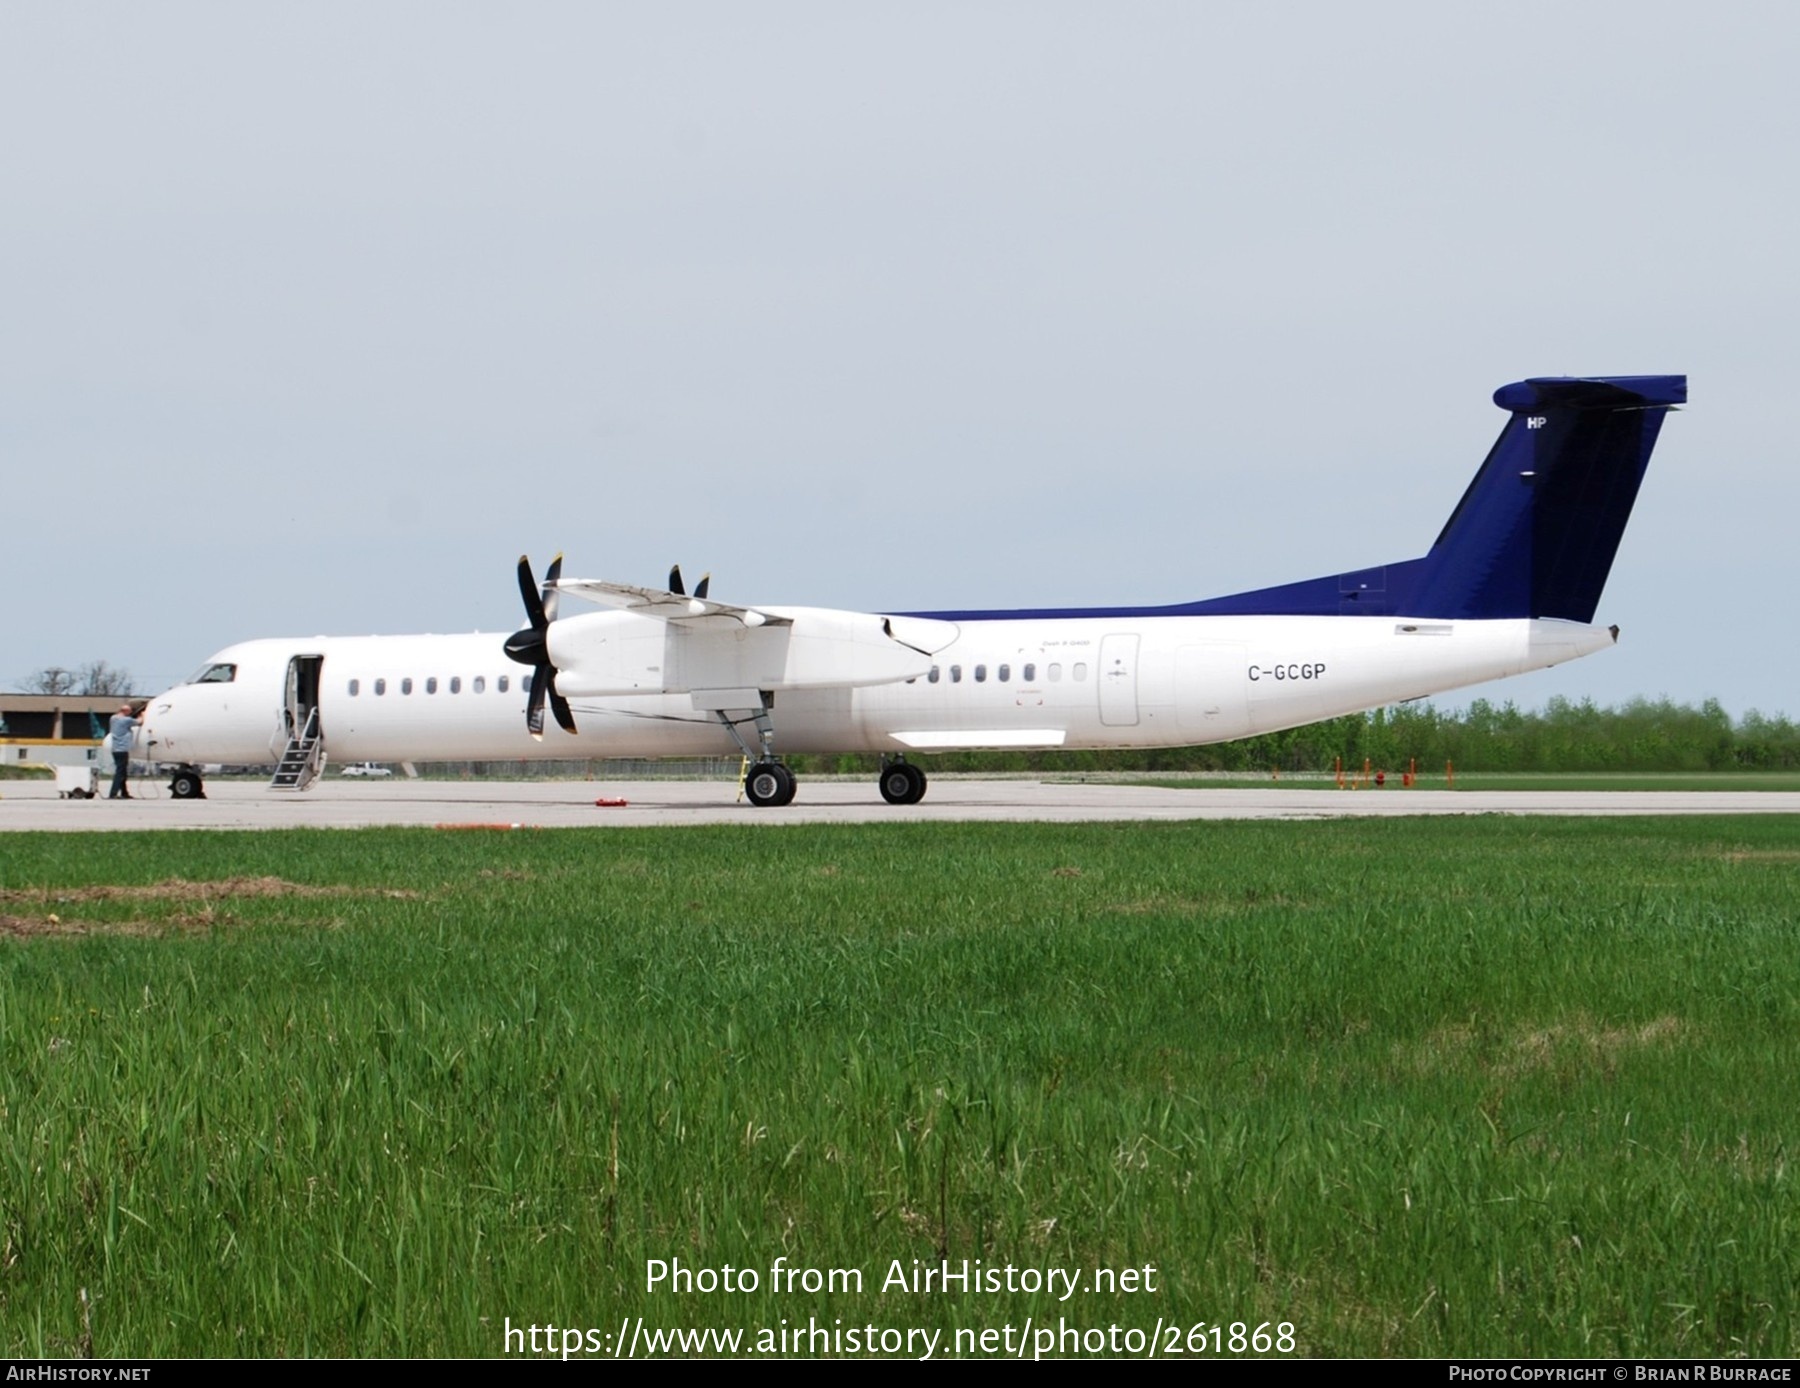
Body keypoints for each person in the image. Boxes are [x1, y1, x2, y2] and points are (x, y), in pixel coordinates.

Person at [106, 703, 142, 800]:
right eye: (130, 712)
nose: (130, 714)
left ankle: (124, 793)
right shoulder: (126, 720)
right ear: (126, 712)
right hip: (122, 749)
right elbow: (139, 721)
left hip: (115, 749)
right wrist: (143, 714)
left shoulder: (113, 718)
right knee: (120, 772)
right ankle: (113, 793)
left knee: (122, 772)